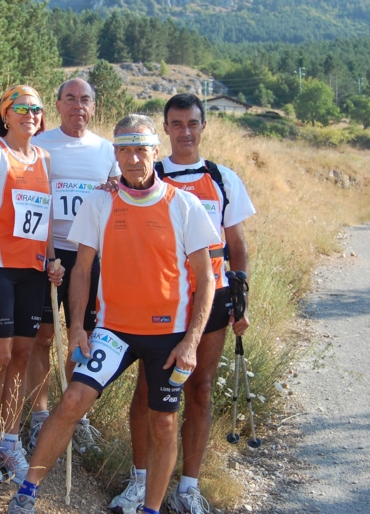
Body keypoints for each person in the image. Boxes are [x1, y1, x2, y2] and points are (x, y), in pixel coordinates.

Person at [7, 114, 220, 514]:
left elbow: (205, 280)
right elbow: (81, 271)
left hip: (168, 337)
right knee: (72, 400)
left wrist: (191, 341)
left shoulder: (185, 205)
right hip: (113, 332)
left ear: (155, 152)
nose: (134, 159)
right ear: (116, 155)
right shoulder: (101, 201)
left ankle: (151, 509)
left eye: (142, 149)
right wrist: (76, 330)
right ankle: (26, 493)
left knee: (162, 423)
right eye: (125, 150)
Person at [110, 94, 256, 514]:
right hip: (160, 295)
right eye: (176, 124)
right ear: (165, 129)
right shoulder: (143, 171)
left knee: (201, 388)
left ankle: (187, 488)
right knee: (145, 393)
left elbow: (237, 247)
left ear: (203, 126)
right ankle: (139, 483)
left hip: (213, 296)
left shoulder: (222, 177)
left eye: (192, 123)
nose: (185, 132)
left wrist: (241, 299)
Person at [0, 85, 65, 485]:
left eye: (36, 109)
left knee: (22, 356)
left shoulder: (44, 157)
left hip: (32, 272)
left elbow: (47, 219)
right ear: (5, 114)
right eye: (20, 108)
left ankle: (9, 441)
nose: (30, 114)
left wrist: (53, 259)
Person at [26, 78, 121, 455]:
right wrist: (48, 255)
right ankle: (38, 416)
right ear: (58, 104)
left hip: (91, 259)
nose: (77, 106)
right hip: (48, 255)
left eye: (85, 100)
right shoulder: (40, 143)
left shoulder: (107, 150)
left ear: (94, 107)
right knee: (43, 337)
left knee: (80, 338)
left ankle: (75, 417)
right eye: (70, 99)